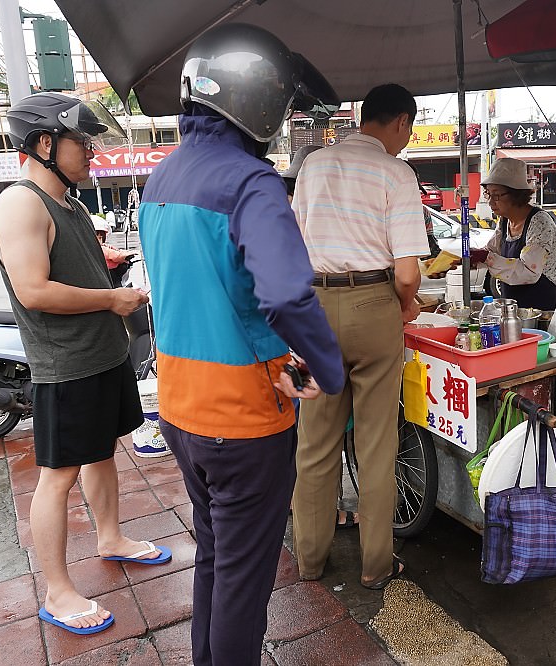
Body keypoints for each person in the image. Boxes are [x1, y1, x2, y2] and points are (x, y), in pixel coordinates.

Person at [137, 24, 345, 666]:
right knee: (244, 583)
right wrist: (329, 369)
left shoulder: (161, 178)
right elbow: (285, 296)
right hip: (243, 422)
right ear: (259, 104)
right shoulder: (251, 183)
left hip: (179, 410)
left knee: (215, 558)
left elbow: (207, 293)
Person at [0, 92, 171, 637]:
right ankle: (58, 588)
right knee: (57, 476)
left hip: (103, 355)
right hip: (66, 365)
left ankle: (111, 536)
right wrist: (111, 300)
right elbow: (33, 290)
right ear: (45, 144)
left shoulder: (68, 203)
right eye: (82, 142)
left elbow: (68, 266)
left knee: (102, 453)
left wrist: (108, 274)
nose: (91, 153)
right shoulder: (22, 202)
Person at [291, 83, 427, 590]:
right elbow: (409, 274)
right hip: (375, 306)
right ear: (400, 123)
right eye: (409, 130)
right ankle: (375, 566)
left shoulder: (313, 166)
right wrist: (406, 304)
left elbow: (296, 244)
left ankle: (309, 560)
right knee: (375, 443)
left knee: (316, 441)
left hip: (317, 308)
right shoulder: (397, 173)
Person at [283, 144, 359, 531]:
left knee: (309, 434)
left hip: (299, 332)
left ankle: (313, 508)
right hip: (300, 336)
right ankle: (317, 510)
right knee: (311, 434)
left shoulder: (297, 211)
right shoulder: (296, 215)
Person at [478, 157, 556, 310]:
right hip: (513, 307)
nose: (490, 202)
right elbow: (490, 251)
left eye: (496, 195)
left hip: (540, 309)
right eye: (488, 194)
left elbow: (528, 272)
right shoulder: (505, 221)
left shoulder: (540, 223)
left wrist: (485, 257)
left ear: (516, 194)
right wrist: (465, 259)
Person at [92, 215, 135, 283]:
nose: (99, 239)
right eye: (97, 237)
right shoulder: (102, 249)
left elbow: (115, 251)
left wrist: (122, 253)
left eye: (101, 237)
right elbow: (115, 255)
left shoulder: (104, 247)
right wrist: (124, 255)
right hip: (109, 273)